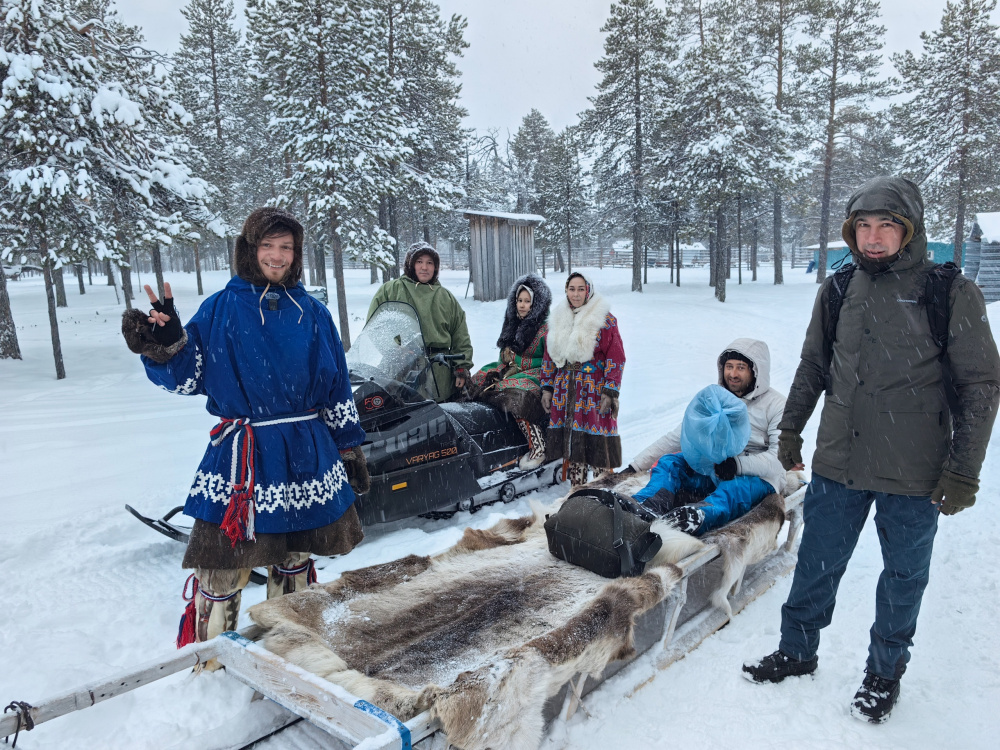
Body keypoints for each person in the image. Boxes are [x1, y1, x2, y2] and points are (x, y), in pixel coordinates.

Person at [742, 176, 1000, 724]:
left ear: (910, 229)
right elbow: (813, 365)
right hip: (840, 461)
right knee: (816, 562)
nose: (873, 237)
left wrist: (964, 471)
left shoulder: (950, 292)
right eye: (863, 225)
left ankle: (884, 674)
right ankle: (796, 650)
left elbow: (981, 386)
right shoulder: (837, 288)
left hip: (915, 470)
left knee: (903, 577)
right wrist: (791, 430)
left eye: (886, 225)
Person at [121, 207, 369, 662]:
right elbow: (185, 379)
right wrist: (167, 345)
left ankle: (290, 654)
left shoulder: (314, 313)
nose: (277, 255)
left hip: (305, 452)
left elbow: (336, 387)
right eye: (267, 245)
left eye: (286, 247)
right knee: (220, 565)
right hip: (243, 456)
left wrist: (348, 447)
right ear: (249, 250)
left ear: (296, 254)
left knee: (294, 560)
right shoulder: (220, 308)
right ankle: (211, 664)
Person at [626, 339, 787, 535]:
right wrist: (635, 466)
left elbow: (779, 458)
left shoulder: (777, 406)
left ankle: (697, 516)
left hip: (754, 477)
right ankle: (648, 505)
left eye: (741, 367)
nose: (733, 374)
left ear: (756, 371)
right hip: (713, 470)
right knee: (670, 462)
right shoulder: (715, 399)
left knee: (734, 490)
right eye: (729, 366)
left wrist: (737, 465)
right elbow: (679, 436)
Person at [540, 272, 625, 486]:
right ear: (566, 290)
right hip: (565, 389)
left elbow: (616, 357)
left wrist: (610, 390)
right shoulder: (558, 318)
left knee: (597, 443)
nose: (576, 294)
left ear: (589, 290)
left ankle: (601, 488)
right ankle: (576, 490)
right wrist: (547, 387)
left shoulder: (604, 320)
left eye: (581, 289)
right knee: (573, 444)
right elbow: (549, 356)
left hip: (593, 389)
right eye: (572, 289)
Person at [367, 242, 473, 402]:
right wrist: (393, 350)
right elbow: (375, 326)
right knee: (398, 412)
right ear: (410, 264)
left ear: (435, 267)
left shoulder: (446, 297)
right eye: (419, 261)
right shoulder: (391, 290)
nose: (424, 267)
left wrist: (461, 367)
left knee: (436, 414)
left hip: (438, 372)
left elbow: (460, 335)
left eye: (430, 263)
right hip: (400, 368)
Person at [468, 273, 552, 470]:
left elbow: (549, 360)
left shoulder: (546, 328)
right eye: (519, 300)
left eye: (527, 301)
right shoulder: (512, 322)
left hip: (537, 372)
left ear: (537, 304)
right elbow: (503, 355)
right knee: (478, 380)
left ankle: (538, 446)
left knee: (517, 397)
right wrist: (503, 363)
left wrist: (518, 362)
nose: (522, 305)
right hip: (511, 369)